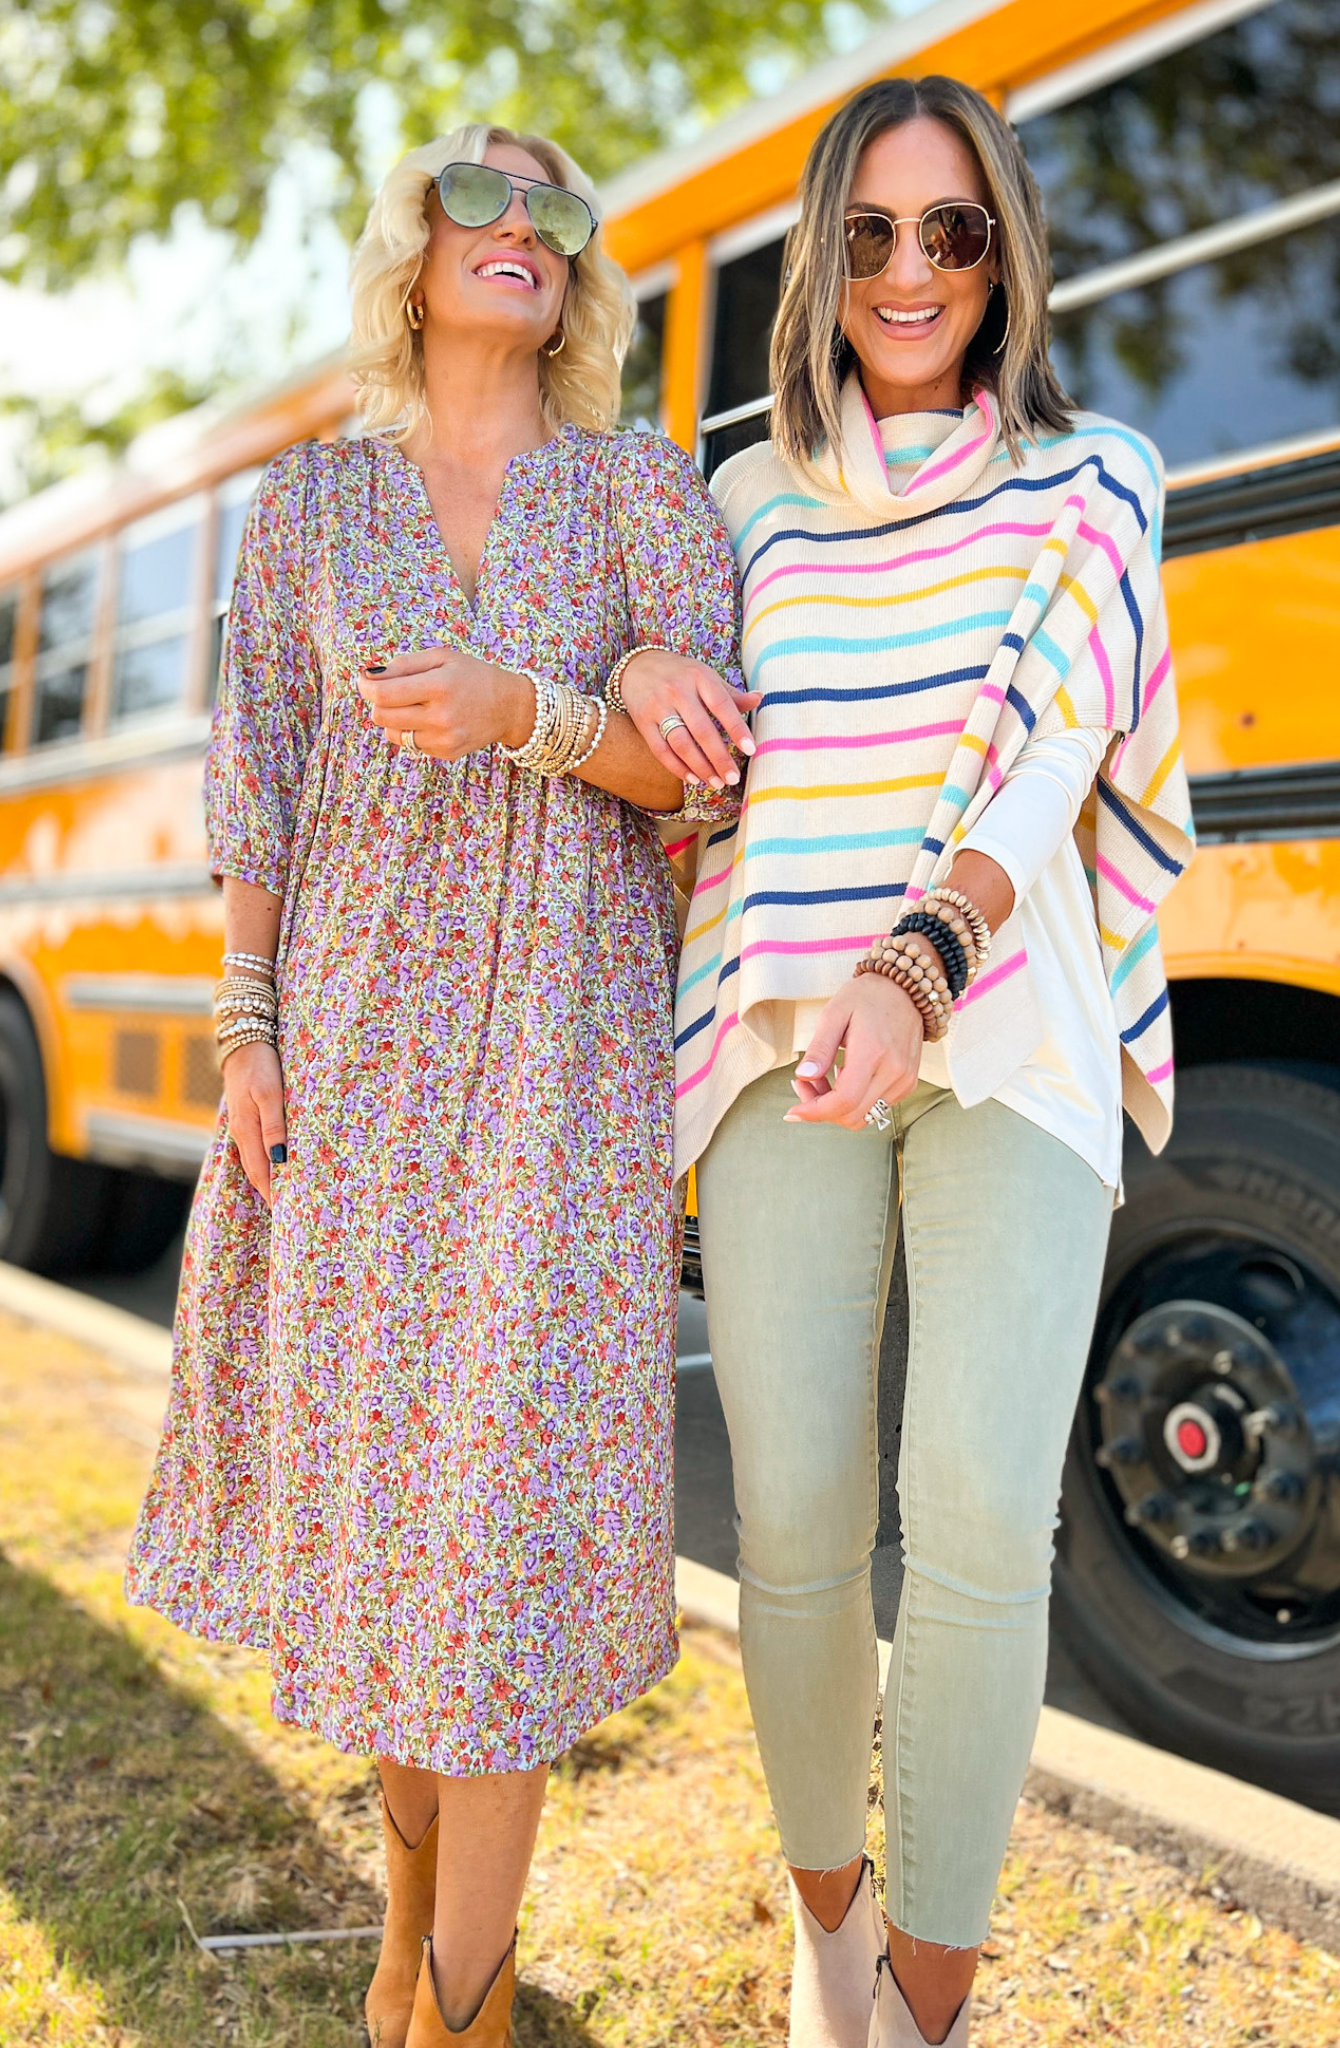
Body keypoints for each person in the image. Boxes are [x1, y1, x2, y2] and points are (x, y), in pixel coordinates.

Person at [125, 123, 752, 2048]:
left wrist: (545, 712)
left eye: (557, 211)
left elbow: (705, 769)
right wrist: (245, 1024)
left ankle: (458, 2016)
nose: (523, 230)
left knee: (493, 1530)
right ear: (412, 251)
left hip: (560, 1079)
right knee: (395, 1525)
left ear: (579, 273)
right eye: (479, 199)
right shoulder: (310, 508)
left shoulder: (644, 490)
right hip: (356, 1069)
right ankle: (404, 1933)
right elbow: (261, 783)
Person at [673, 75, 1194, 2048]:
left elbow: (1052, 751)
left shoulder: (1093, 477)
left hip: (1010, 1027)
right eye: (872, 232)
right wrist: (636, 686)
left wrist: (923, 953)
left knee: (978, 1518)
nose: (909, 271)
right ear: (824, 254)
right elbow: (688, 761)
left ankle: (922, 2015)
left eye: (951, 231)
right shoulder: (742, 502)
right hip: (772, 1039)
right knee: (793, 1520)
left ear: (1004, 258)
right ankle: (829, 1937)